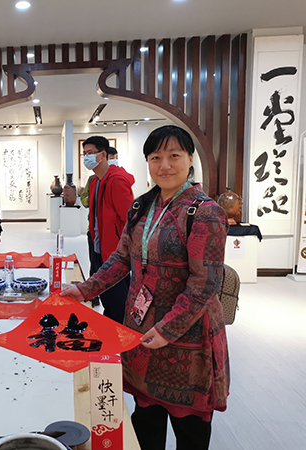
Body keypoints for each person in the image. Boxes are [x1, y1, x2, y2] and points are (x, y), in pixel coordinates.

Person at [62, 125, 230, 450]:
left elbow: (204, 283)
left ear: (190, 159)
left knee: (190, 430)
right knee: (146, 422)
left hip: (187, 340)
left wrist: (168, 329)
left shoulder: (204, 212)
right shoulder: (142, 207)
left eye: (174, 155)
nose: (164, 165)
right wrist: (85, 289)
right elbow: (121, 258)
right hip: (143, 332)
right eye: (155, 157)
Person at [82, 136, 135, 323]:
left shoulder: (116, 180)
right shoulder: (95, 181)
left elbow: (130, 219)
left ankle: (123, 334)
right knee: (106, 296)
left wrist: (125, 250)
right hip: (98, 247)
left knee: (118, 299)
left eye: (90, 153)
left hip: (114, 251)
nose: (86, 157)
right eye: (84, 154)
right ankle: (110, 328)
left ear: (103, 155)